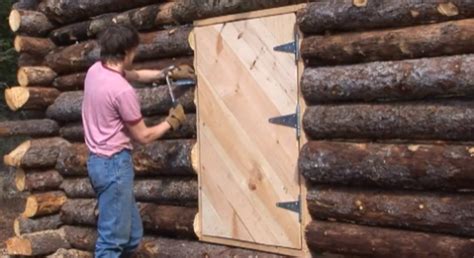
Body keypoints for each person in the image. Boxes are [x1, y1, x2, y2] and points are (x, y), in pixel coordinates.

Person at [81, 24, 193, 258]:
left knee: (131, 237)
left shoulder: (96, 71)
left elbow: (136, 75)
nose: (136, 55)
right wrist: (171, 122)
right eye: (134, 51)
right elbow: (143, 136)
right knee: (111, 243)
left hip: (98, 163)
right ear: (125, 53)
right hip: (114, 166)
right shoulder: (122, 91)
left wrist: (167, 73)